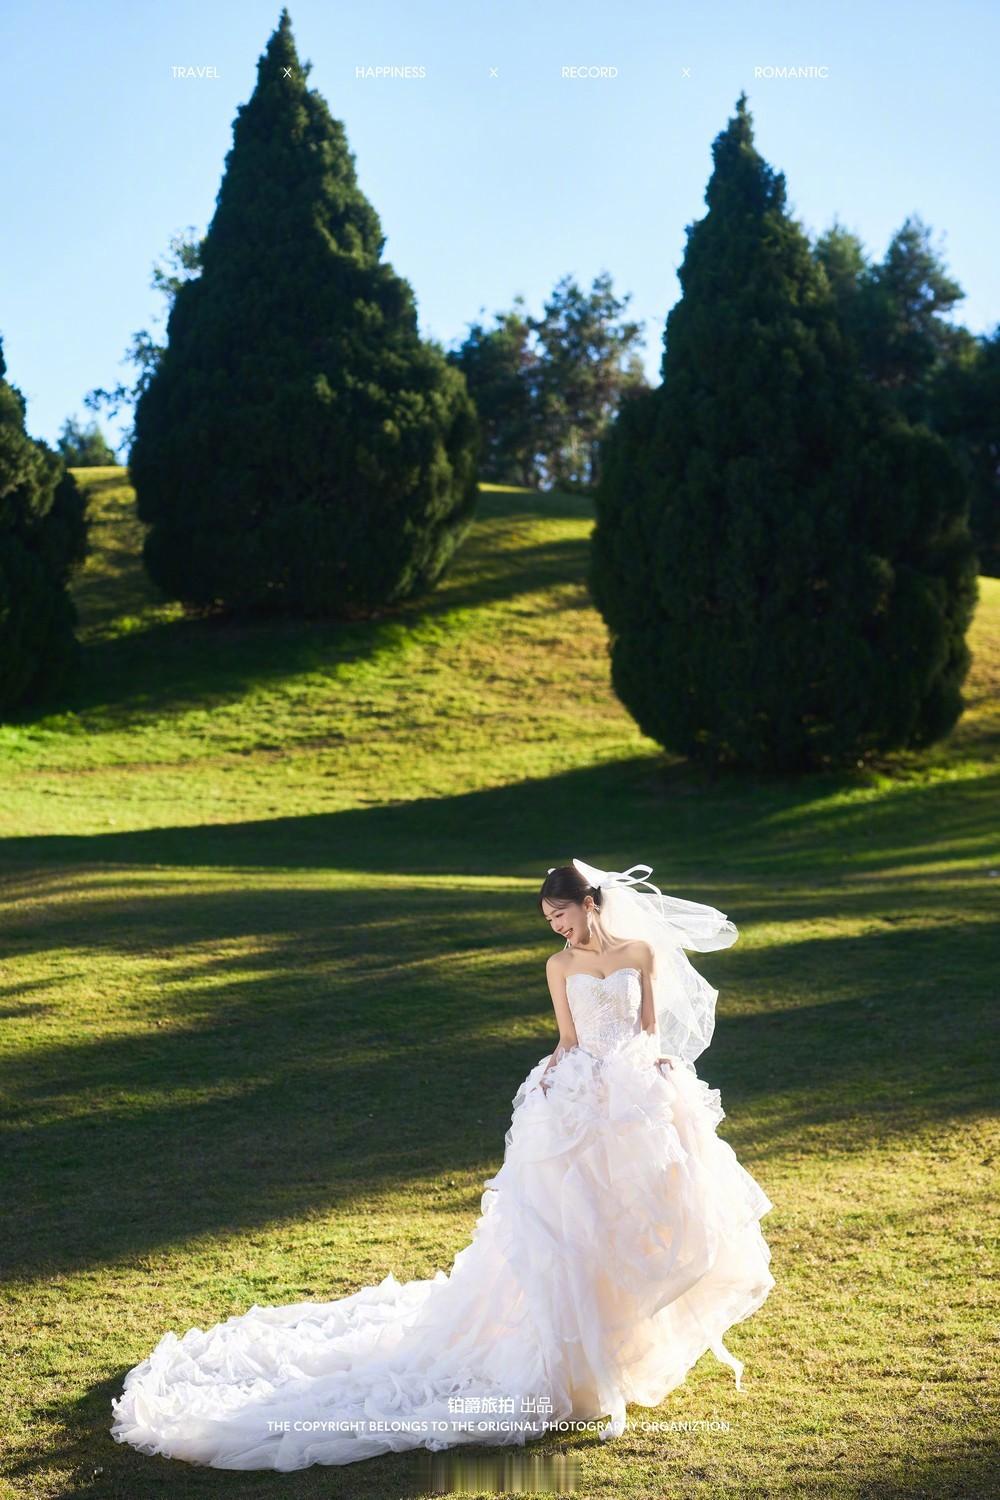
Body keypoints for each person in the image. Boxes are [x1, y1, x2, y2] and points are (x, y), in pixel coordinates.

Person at [110, 857, 774, 1472]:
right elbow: (568, 1039)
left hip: (633, 1092)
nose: (558, 927)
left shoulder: (641, 953)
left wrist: (654, 1074)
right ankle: (575, 1367)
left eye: (562, 915)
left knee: (633, 1221)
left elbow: (650, 1030)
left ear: (590, 903)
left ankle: (620, 1352)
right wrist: (554, 1081)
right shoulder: (558, 968)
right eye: (550, 921)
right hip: (579, 1099)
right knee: (565, 1230)